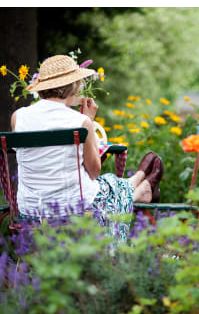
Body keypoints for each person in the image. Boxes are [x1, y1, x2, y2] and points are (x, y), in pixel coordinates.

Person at [11, 55, 163, 241]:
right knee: (108, 183)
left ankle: (139, 185)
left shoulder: (18, 117)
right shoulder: (80, 122)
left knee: (105, 186)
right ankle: (139, 186)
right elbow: (94, 172)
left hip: (30, 211)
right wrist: (88, 121)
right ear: (74, 87)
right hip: (72, 210)